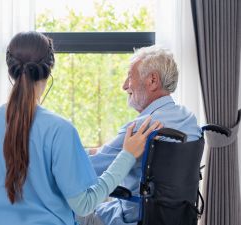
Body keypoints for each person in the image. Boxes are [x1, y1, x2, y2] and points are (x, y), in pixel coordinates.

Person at [0, 31, 162, 225]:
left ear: (11, 69)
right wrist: (127, 156)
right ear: (50, 68)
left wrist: (85, 152)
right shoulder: (60, 129)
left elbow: (32, 155)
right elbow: (85, 204)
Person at [77, 46, 202, 225]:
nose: (124, 85)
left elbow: (84, 170)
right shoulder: (189, 120)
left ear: (152, 80)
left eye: (130, 76)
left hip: (129, 219)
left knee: (64, 209)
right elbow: (108, 153)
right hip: (173, 218)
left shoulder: (142, 127)